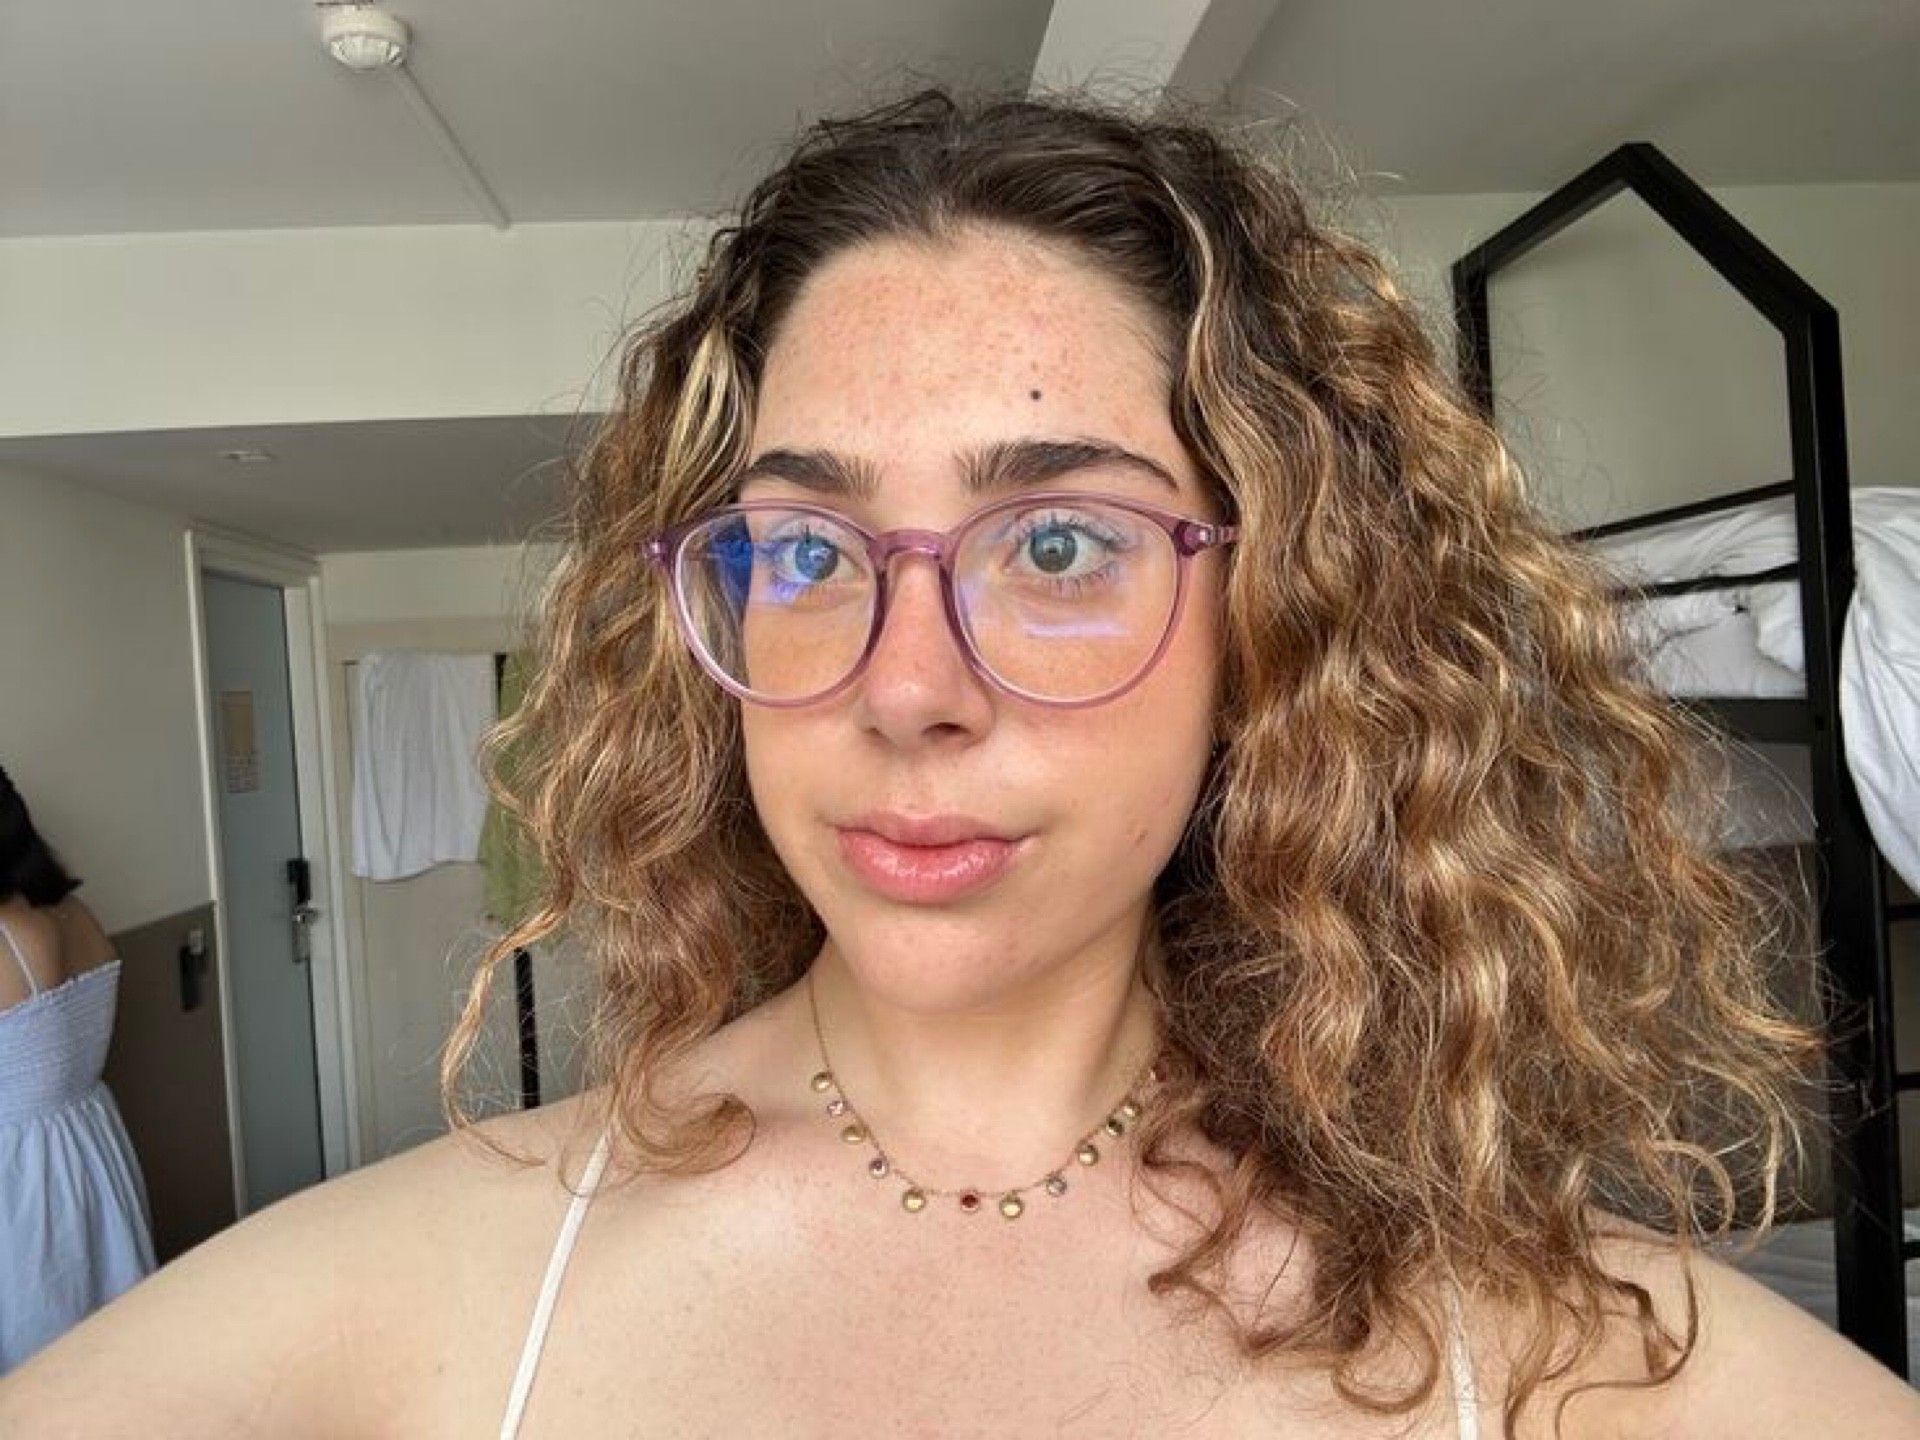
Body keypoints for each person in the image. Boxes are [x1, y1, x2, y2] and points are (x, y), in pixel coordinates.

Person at [3, 88, 1916, 1437]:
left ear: (1276, 623)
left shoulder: (1566, 1357)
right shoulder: (403, 1308)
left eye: (1060, 542)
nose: (904, 688)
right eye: (808, 551)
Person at [0, 766, 156, 1374]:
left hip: (19, 1175)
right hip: (90, 1143)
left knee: (38, 1357)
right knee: (103, 1331)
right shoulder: (76, 914)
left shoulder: (10, 934)